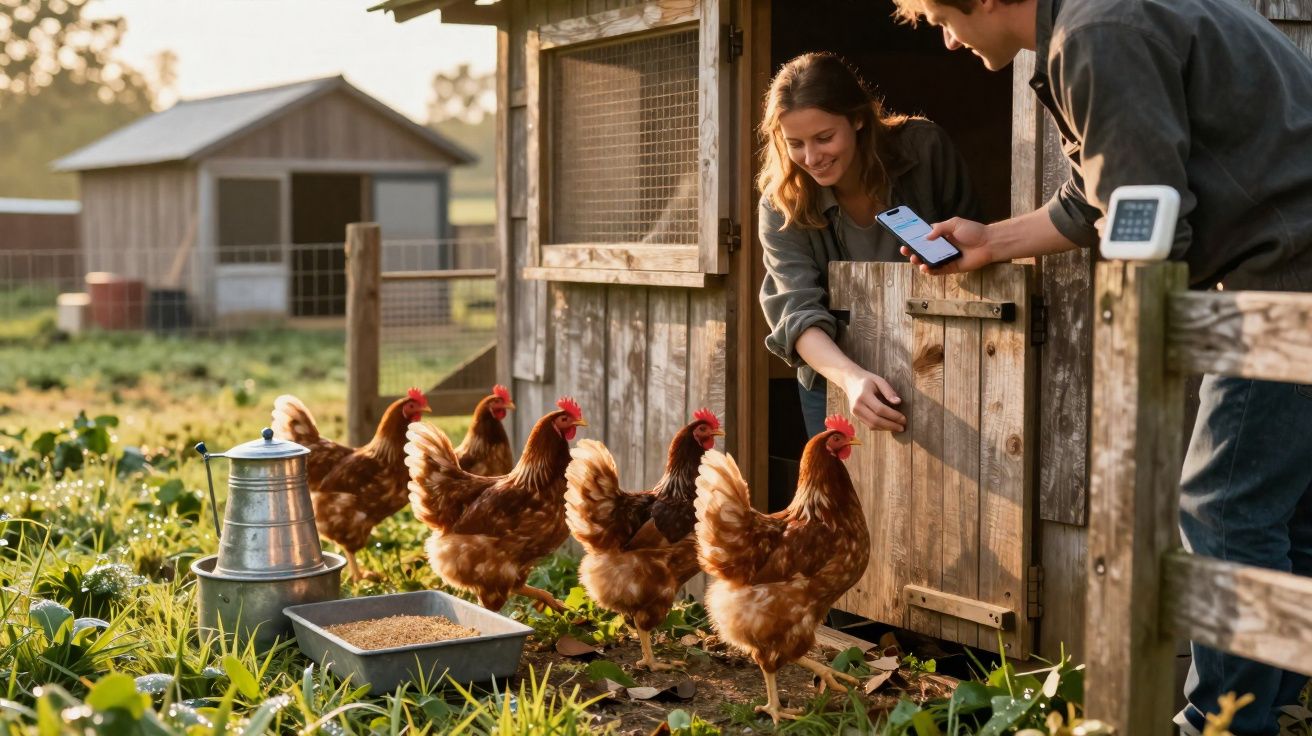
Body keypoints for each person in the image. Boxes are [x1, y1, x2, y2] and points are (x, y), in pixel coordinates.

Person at [887, 0, 1312, 732]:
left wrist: (1138, 336)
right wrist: (990, 241)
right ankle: (1270, 706)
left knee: (1222, 506)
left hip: (1284, 272)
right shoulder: (1095, 18)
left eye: (942, 19)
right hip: (1286, 258)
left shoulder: (1095, 33)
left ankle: (1221, 721)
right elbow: (1103, 199)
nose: (949, 41)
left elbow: (1147, 220)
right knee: (1284, 515)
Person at [757, 52, 979, 438]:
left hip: (940, 362)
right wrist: (852, 378)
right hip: (835, 376)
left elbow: (978, 249)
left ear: (858, 118)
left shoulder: (925, 150)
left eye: (825, 138)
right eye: (795, 143)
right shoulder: (781, 204)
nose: (812, 158)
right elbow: (796, 313)